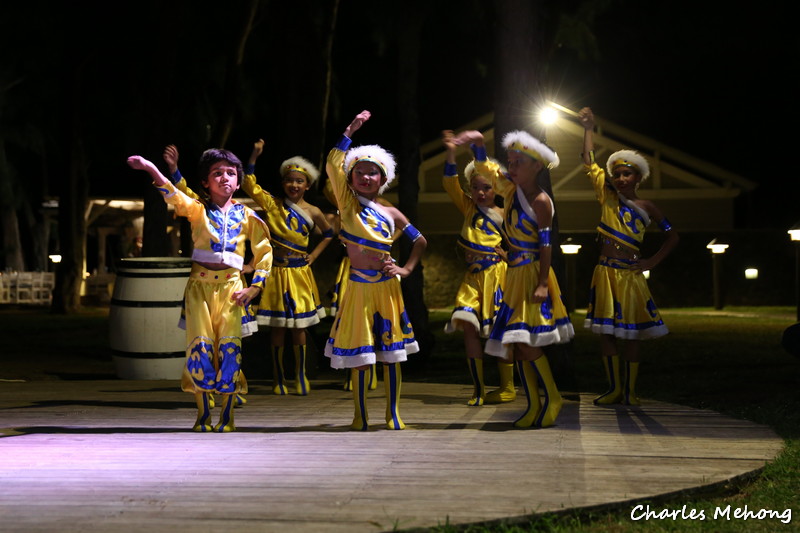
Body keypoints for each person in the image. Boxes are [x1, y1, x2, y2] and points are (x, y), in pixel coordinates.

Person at [126, 149, 272, 432]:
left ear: (239, 181)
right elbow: (172, 194)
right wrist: (150, 168)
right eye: (217, 173)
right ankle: (204, 413)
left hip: (232, 288)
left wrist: (255, 287)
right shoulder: (198, 209)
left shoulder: (248, 216)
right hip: (199, 288)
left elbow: (264, 251)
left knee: (230, 350)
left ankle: (227, 415)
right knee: (200, 349)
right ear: (205, 182)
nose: (224, 178)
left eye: (230, 173)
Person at [453, 128, 574, 428]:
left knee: (528, 342)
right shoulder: (512, 193)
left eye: (519, 162)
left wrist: (544, 282)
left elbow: (547, 244)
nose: (512, 168)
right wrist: (479, 145)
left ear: (536, 165)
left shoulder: (541, 201)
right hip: (515, 276)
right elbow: (487, 170)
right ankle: (533, 404)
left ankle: (553, 397)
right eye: (511, 161)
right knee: (517, 343)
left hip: (533, 273)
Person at [324, 110, 427, 430]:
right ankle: (360, 415)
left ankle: (393, 413)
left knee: (391, 355)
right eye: (360, 172)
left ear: (383, 179)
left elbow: (420, 240)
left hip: (387, 288)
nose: (366, 177)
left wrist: (406, 269)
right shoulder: (348, 203)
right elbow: (331, 165)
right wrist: (350, 131)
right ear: (351, 177)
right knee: (361, 356)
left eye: (373, 173)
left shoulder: (391, 211)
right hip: (358, 287)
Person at [578, 107, 679, 406]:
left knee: (632, 335)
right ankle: (614, 388)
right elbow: (588, 162)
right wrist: (588, 127)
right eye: (617, 174)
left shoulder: (647, 206)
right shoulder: (607, 197)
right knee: (607, 335)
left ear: (638, 176)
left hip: (631, 275)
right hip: (605, 273)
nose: (621, 178)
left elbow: (673, 236)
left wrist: (650, 262)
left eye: (627, 173)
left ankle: (632, 391)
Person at [242, 140, 334, 396]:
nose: (294, 185)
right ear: (283, 183)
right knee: (277, 328)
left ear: (308, 185)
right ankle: (278, 377)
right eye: (289, 180)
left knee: (299, 327)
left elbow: (329, 233)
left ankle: (300, 375)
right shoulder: (273, 204)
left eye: (299, 181)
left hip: (299, 273)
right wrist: (254, 155)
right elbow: (249, 184)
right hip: (276, 272)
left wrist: (314, 255)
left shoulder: (314, 211)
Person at [440, 130, 513, 406]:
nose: (481, 193)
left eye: (487, 187)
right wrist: (450, 151)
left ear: (496, 189)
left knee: (500, 331)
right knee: (468, 327)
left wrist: (507, 255)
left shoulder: (506, 214)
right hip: (472, 278)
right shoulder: (469, 209)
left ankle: (507, 387)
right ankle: (478, 388)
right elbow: (449, 183)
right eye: (476, 188)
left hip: (498, 276)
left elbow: (519, 244)